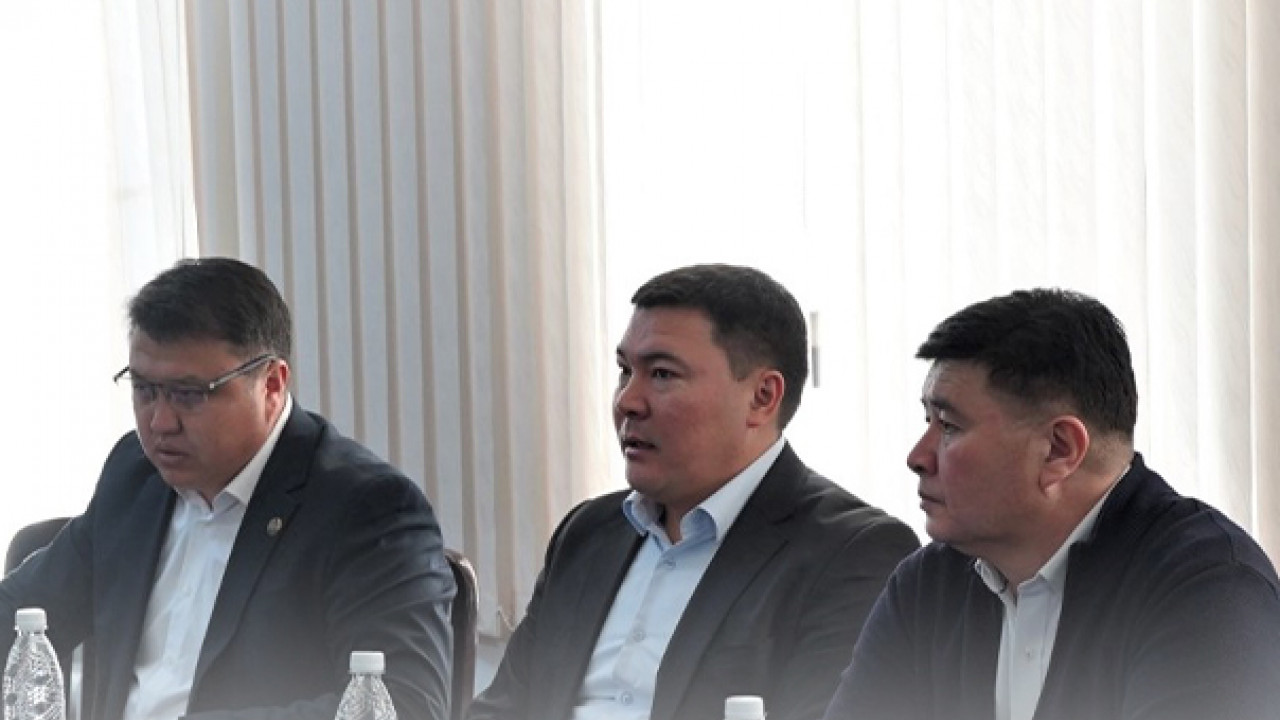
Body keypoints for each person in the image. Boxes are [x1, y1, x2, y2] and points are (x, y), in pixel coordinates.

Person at [0, 258, 455, 720]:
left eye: (189, 394)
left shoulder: (368, 509)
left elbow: (406, 705)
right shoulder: (135, 474)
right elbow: (19, 612)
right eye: (144, 389)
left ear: (272, 384)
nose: (160, 422)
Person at [468, 264, 920, 720]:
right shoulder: (587, 532)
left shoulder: (852, 552)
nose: (627, 400)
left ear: (762, 397)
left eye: (662, 374)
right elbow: (501, 709)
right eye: (625, 371)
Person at [824, 288, 1280, 720]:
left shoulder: (1210, 590)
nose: (917, 457)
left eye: (949, 427)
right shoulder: (927, 586)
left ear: (1059, 450)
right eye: (928, 421)